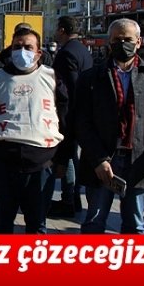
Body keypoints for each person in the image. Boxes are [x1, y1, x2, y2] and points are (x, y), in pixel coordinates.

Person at [76, 18, 144, 234]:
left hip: (141, 160)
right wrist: (99, 159)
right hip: (103, 161)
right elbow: (81, 122)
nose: (122, 44)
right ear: (109, 42)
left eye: (127, 39)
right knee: (94, 222)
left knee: (135, 225)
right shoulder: (91, 78)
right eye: (117, 39)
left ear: (138, 42)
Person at [0, 27, 68, 233]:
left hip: (41, 162)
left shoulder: (52, 77)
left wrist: (63, 158)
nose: (22, 51)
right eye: (17, 47)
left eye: (28, 47)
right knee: (2, 223)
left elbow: (65, 118)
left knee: (37, 224)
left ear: (38, 53)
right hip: (2, 162)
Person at [47, 16, 93, 218]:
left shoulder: (66, 53)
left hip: (69, 111)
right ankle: (73, 198)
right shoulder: (83, 50)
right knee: (72, 154)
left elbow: (68, 87)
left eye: (57, 29)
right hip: (81, 110)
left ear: (62, 30)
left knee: (67, 156)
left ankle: (69, 201)